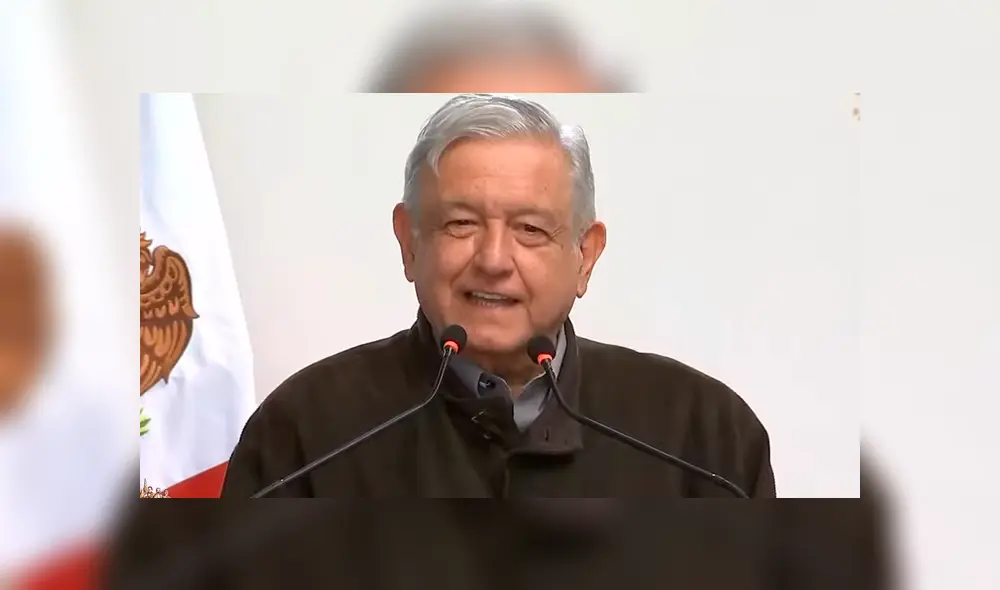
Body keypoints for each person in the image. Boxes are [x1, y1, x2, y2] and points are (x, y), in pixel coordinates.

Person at [220, 93, 775, 498]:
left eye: (531, 230)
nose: (492, 260)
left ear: (586, 254)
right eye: (460, 224)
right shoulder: (306, 434)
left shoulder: (703, 438)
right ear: (410, 243)